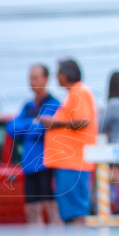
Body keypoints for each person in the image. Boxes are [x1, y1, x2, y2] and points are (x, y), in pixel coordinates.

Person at [39, 59, 98, 225]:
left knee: (76, 212)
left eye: (57, 73)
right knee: (69, 212)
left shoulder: (79, 92)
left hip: (74, 163)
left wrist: (55, 123)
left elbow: (83, 120)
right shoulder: (73, 93)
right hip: (69, 163)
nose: (56, 77)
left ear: (64, 75)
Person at [5, 64, 61, 226]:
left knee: (51, 209)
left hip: (46, 165)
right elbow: (11, 128)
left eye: (35, 78)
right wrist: (32, 122)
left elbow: (41, 129)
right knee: (31, 209)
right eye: (30, 78)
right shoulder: (28, 106)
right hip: (29, 166)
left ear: (46, 79)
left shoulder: (53, 104)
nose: (32, 82)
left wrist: (27, 126)